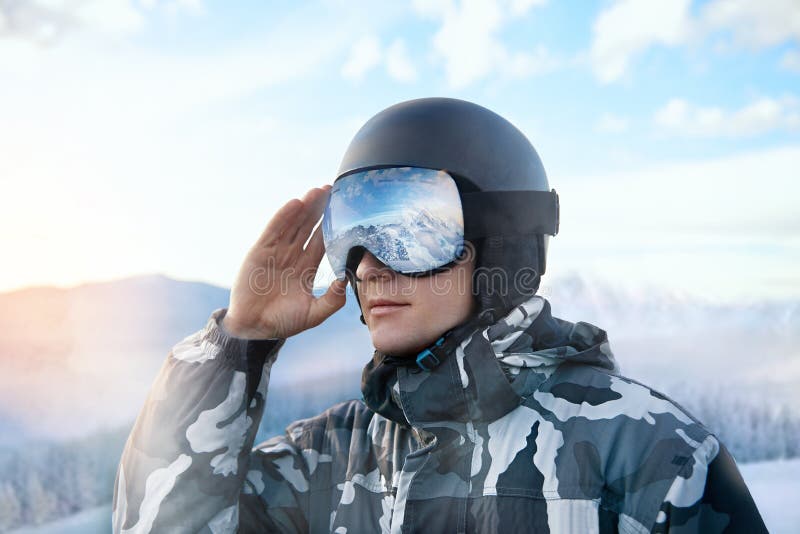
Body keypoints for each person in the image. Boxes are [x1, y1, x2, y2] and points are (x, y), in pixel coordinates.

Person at [112, 98, 767, 533]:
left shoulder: (646, 451)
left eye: (409, 230)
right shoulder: (334, 455)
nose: (367, 266)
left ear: (500, 240)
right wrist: (238, 344)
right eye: (353, 233)